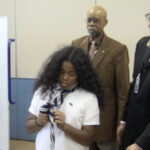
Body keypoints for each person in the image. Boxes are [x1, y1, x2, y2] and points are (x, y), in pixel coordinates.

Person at [72, 5, 129, 150]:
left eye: (96, 20)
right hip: (80, 121)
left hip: (105, 125)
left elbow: (123, 92)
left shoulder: (118, 49)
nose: (91, 24)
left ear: (105, 23)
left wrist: (121, 123)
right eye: (89, 20)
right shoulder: (76, 45)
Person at [26, 45, 102, 150]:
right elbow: (28, 128)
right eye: (61, 72)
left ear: (80, 74)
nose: (65, 78)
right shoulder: (43, 91)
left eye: (71, 74)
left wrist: (64, 126)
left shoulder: (89, 99)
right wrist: (38, 122)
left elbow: (88, 139)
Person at [117, 12, 150, 150]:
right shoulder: (142, 44)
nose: (149, 24)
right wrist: (123, 122)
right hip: (133, 123)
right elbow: (134, 84)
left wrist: (140, 144)